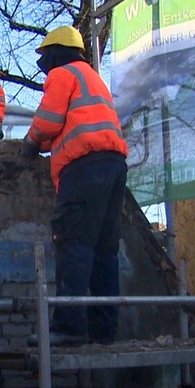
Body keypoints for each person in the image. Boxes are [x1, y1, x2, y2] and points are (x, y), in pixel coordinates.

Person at [22, 25, 128, 346]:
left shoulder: (62, 74)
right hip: (113, 165)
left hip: (84, 168)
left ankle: (68, 327)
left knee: (74, 243)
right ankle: (104, 331)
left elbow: (50, 119)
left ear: (56, 52)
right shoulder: (92, 79)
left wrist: (30, 142)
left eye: (46, 58)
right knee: (104, 250)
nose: (44, 67)